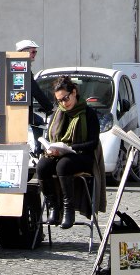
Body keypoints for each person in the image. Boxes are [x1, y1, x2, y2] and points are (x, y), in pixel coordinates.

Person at [35, 75, 100, 229]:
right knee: (42, 167)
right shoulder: (58, 113)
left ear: (74, 92)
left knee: (63, 166)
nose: (64, 103)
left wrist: (71, 148)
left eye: (65, 98)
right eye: (59, 100)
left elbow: (93, 143)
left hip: (82, 155)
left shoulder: (88, 114)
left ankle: (68, 211)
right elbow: (50, 136)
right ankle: (53, 208)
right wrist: (50, 148)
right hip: (59, 154)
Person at [15, 38, 53, 120]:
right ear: (23, 52)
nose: (35, 54)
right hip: (19, 112)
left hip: (22, 110)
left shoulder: (19, 67)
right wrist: (49, 107)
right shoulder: (20, 69)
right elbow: (35, 90)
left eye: (35, 52)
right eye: (33, 52)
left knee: (39, 121)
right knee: (39, 122)